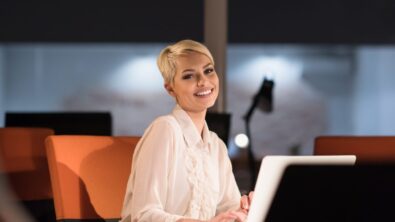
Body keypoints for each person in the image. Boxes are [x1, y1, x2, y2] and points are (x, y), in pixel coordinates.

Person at [120, 39, 253, 222]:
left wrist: (244, 210)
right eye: (189, 76)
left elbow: (227, 209)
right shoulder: (164, 130)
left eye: (208, 71)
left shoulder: (216, 146)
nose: (203, 81)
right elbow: (144, 215)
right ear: (170, 88)